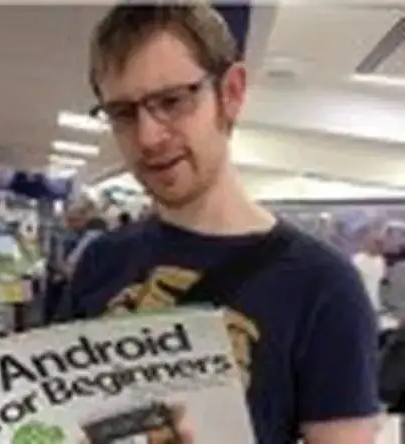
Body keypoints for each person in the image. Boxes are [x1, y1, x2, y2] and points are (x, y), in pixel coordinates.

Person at [55, 4, 379, 443]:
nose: (149, 137)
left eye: (172, 101)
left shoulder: (323, 286)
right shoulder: (102, 261)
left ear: (231, 93)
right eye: (124, 113)